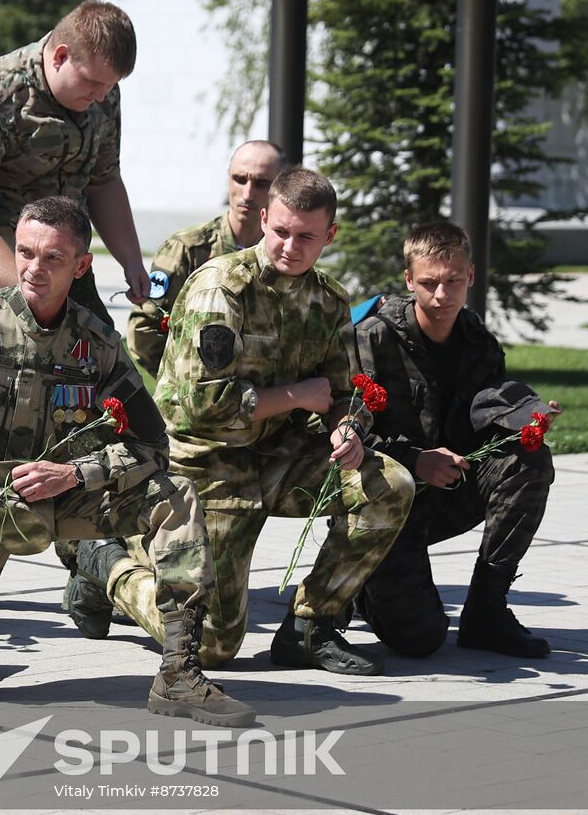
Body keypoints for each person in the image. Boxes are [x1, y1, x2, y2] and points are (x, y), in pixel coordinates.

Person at [0, 196, 253, 725]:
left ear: (81, 266)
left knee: (175, 495)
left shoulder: (98, 343)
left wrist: (76, 473)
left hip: (68, 497)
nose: (33, 268)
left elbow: (152, 445)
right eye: (24, 252)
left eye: (52, 258)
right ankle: (90, 567)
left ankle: (179, 675)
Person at [70, 167, 415, 676]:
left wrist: (346, 428)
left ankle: (310, 627)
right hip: (206, 464)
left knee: (389, 484)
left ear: (330, 235)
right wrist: (298, 395)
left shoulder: (330, 299)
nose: (289, 246)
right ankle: (108, 565)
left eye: (306, 236)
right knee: (211, 646)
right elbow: (204, 405)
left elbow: (342, 391)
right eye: (280, 231)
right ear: (263, 218)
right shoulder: (221, 289)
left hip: (279, 456)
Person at [354, 222, 558, 659]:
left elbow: (487, 416)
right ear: (409, 280)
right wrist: (414, 459)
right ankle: (361, 584)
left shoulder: (479, 343)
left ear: (471, 277)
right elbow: (347, 434)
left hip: (447, 492)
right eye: (429, 283)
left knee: (530, 460)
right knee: (420, 639)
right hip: (388, 502)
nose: (442, 295)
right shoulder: (374, 339)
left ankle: (487, 609)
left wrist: (528, 420)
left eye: (453, 281)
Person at [0, 0, 150, 332]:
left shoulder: (104, 96)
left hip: (56, 255)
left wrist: (132, 260)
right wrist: (31, 299)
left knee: (96, 363)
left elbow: (104, 181)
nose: (102, 95)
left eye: (111, 85)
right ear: (61, 56)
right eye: (93, 82)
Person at [127, 140, 286, 377]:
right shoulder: (188, 249)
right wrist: (185, 385)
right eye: (239, 179)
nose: (247, 193)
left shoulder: (285, 254)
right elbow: (144, 330)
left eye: (261, 183)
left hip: (265, 400)